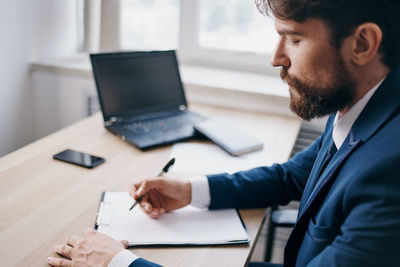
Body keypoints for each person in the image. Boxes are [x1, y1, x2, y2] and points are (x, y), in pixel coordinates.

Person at [48, 0, 400, 266]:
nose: (276, 58)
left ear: (362, 44)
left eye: (293, 38)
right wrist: (189, 190)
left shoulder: (390, 171)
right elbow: (291, 176)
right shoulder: (362, 104)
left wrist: (117, 262)